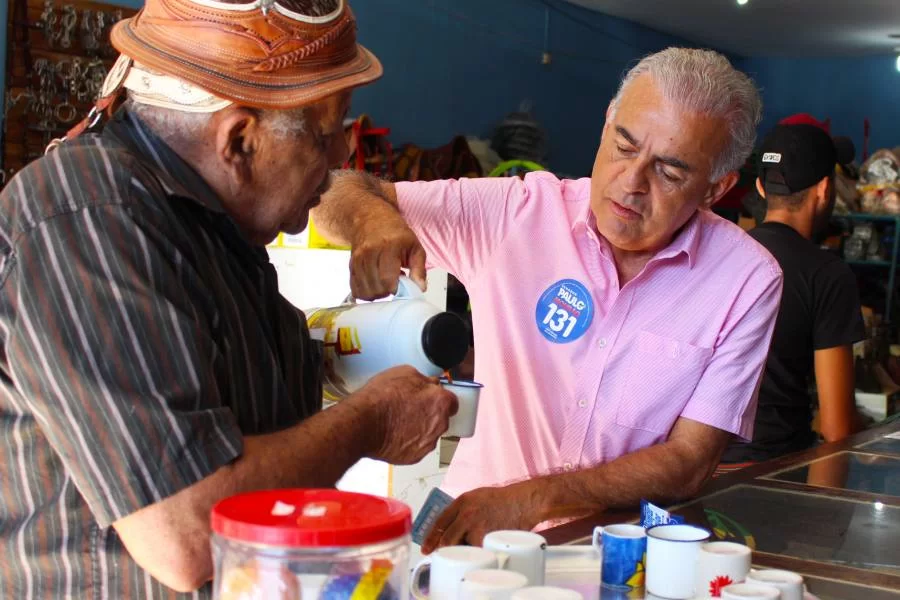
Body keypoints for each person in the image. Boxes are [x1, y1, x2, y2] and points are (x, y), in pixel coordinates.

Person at [0, 0, 458, 597]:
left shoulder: (214, 223)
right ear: (239, 140)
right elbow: (186, 533)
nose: (340, 161)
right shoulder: (89, 221)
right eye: (327, 138)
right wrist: (371, 421)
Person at [313, 48, 784, 552]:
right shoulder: (519, 213)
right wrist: (376, 221)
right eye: (624, 146)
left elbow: (691, 461)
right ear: (607, 125)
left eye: (669, 172)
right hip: (471, 535)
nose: (632, 183)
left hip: (615, 558)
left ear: (716, 188)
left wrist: (534, 499)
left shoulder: (746, 279)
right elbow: (331, 193)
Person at [720, 118, 866, 470]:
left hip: (699, 467)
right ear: (824, 190)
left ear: (761, 186)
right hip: (775, 471)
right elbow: (836, 430)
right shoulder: (827, 275)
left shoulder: (718, 254)